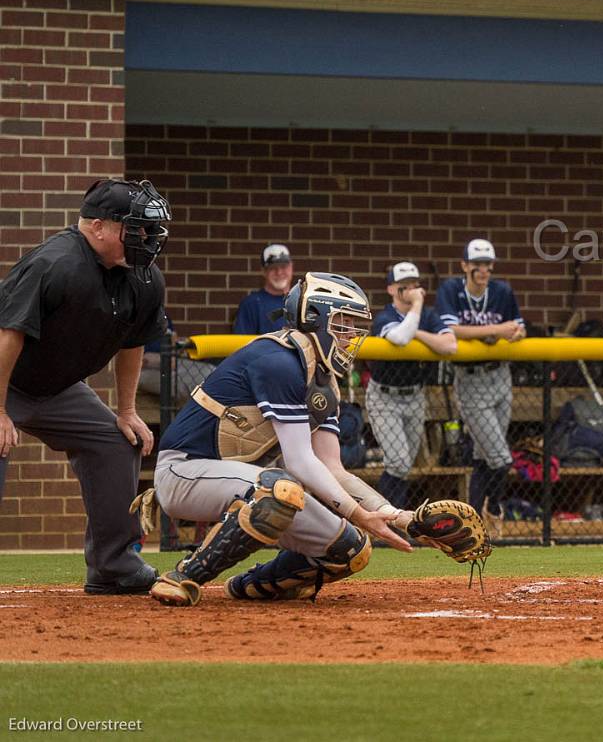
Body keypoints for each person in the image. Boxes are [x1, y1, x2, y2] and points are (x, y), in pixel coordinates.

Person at [149, 272, 412, 605]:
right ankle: (183, 577)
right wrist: (359, 515)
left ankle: (251, 585)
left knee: (349, 550)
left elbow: (333, 469)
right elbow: (300, 462)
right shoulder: (280, 361)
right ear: (314, 318)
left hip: (241, 479)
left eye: (354, 325)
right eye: (343, 323)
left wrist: (398, 515)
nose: (351, 335)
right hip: (184, 472)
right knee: (279, 490)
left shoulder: (320, 378)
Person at [0, 179, 171, 595]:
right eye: (134, 229)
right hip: (5, 380)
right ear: (97, 227)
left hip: (55, 388)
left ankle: (113, 567)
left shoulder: (144, 279)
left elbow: (133, 342)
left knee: (117, 441)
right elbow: (8, 336)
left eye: (148, 230)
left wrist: (126, 410)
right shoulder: (54, 264)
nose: (145, 239)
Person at [436, 238, 524, 529]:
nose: (483, 270)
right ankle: (495, 507)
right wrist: (497, 329)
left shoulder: (502, 291)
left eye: (487, 264)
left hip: (500, 376)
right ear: (465, 265)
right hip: (470, 379)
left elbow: (518, 326)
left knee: (483, 455)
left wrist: (514, 334)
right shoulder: (451, 289)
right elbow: (451, 329)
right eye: (477, 265)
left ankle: (471, 518)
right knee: (500, 458)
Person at [365, 262, 457, 512]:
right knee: (398, 461)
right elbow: (400, 338)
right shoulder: (386, 316)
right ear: (392, 289)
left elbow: (450, 345)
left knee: (404, 465)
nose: (411, 291)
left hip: (415, 395)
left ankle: (393, 516)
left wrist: (419, 333)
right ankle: (387, 516)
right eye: (404, 286)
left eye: (414, 285)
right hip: (385, 396)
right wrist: (416, 309)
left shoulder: (427, 317)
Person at [232, 244, 295, 335]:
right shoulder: (251, 304)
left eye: (283, 266)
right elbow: (243, 346)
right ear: (264, 271)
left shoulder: (303, 302)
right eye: (273, 268)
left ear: (291, 267)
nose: (279, 272)